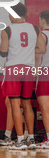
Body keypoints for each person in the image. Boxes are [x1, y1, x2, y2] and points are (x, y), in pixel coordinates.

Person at [0, 2, 45, 150]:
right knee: (27, 104)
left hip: (13, 69)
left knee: (14, 104)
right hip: (28, 69)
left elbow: (3, 51)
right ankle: (31, 139)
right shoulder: (34, 28)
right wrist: (29, 51)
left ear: (13, 14)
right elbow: (42, 48)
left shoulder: (7, 30)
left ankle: (19, 140)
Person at [36, 10, 49, 149]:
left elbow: (35, 55)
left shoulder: (42, 35)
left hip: (45, 72)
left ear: (42, 21)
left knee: (45, 109)